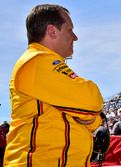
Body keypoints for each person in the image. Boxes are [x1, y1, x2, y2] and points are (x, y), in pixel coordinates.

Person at [4, 4, 103, 167]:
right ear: (52, 31)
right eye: (70, 29)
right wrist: (90, 117)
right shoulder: (36, 62)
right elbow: (92, 101)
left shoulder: (43, 63)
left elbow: (91, 116)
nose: (75, 37)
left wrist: (91, 118)